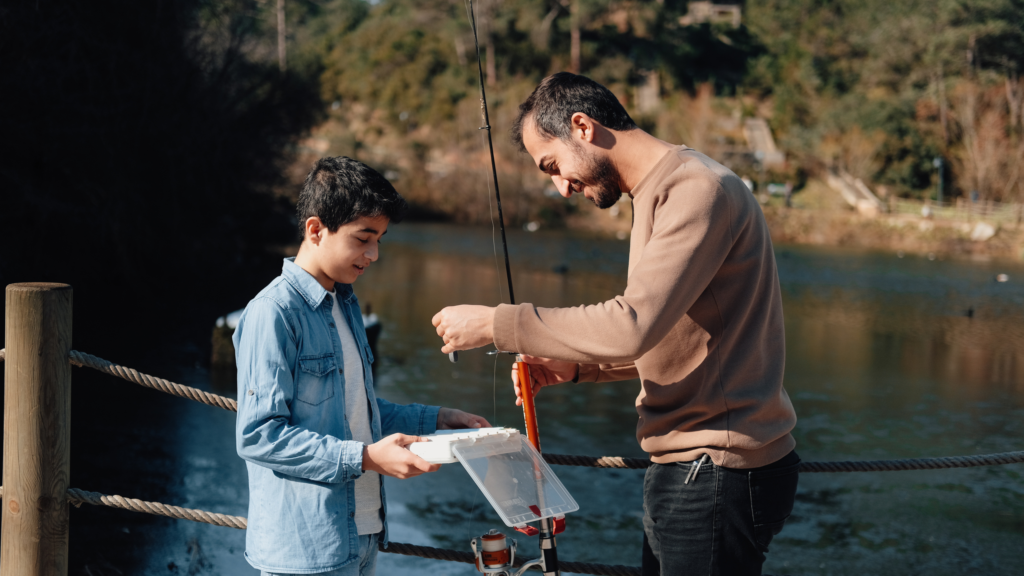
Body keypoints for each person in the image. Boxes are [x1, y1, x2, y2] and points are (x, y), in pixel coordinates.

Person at [431, 73, 799, 576]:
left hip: (716, 469)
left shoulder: (694, 189)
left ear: (582, 126)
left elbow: (634, 323)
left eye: (553, 165)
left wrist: (499, 324)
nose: (561, 188)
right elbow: (676, 335)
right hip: (695, 469)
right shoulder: (660, 191)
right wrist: (580, 369)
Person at [234, 156, 489, 576]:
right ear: (315, 230)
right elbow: (259, 437)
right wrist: (366, 458)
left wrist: (437, 419)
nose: (373, 254)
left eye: (380, 240)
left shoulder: (346, 303)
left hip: (363, 537)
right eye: (363, 238)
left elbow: (357, 412)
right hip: (308, 550)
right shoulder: (273, 313)